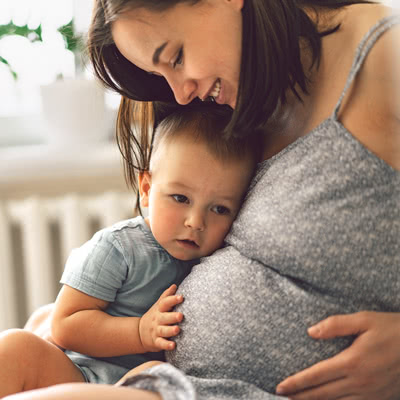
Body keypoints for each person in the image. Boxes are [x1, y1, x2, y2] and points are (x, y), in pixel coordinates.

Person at [5, 0, 400, 399]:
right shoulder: (247, 88)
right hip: (157, 376)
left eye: (175, 57)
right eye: (158, 73)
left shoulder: (384, 56)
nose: (180, 93)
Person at [0, 104, 258, 398]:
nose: (196, 222)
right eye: (180, 197)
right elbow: (64, 324)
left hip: (142, 384)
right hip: (79, 373)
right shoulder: (119, 248)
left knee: (151, 371)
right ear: (146, 188)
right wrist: (139, 332)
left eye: (219, 208)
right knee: (14, 347)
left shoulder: (220, 259)